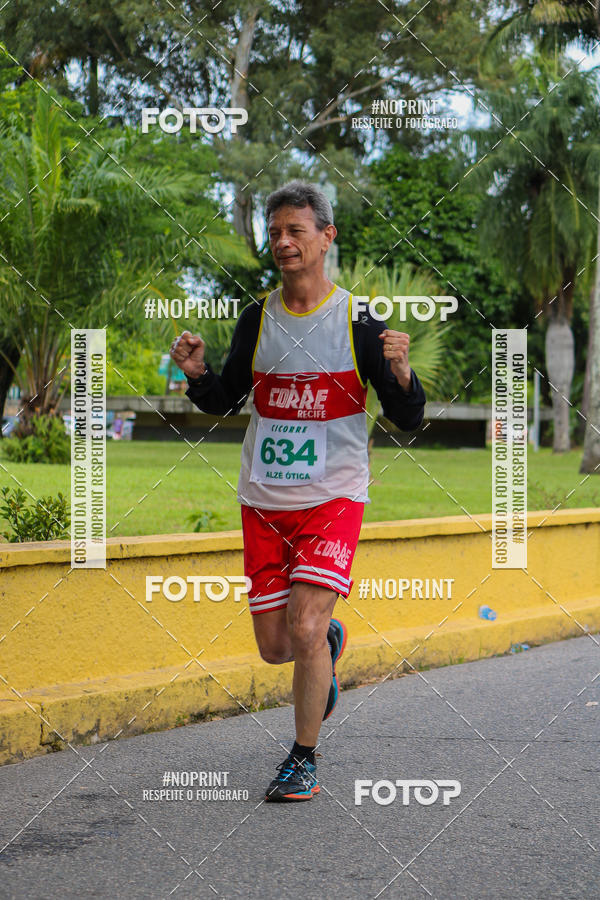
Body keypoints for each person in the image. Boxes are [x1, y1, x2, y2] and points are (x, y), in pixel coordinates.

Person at [170, 181, 426, 802]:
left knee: (306, 629)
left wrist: (399, 372)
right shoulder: (258, 317)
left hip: (334, 497)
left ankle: (302, 757)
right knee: (277, 646)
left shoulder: (360, 322)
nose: (284, 243)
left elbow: (407, 417)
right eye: (276, 232)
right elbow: (232, 397)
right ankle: (329, 647)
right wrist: (199, 372)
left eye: (297, 231)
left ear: (326, 237)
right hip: (264, 501)